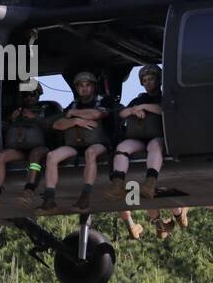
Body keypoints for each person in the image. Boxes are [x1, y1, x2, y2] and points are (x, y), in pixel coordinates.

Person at [41, 71, 113, 212]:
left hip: (98, 144)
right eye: (81, 86)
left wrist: (74, 115)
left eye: (88, 85)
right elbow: (57, 124)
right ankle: (49, 198)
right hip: (74, 145)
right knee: (51, 156)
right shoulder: (73, 105)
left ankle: (85, 196)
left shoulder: (103, 101)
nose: (84, 88)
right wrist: (76, 121)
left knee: (90, 153)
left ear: (93, 87)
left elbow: (97, 114)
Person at [0, 83, 59, 207]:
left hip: (40, 148)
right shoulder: (16, 111)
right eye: (25, 95)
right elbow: (3, 127)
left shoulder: (48, 109)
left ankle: (29, 190)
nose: (28, 98)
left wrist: (35, 118)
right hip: (19, 149)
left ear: (38, 95)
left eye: (32, 94)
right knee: (1, 157)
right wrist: (11, 119)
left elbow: (53, 126)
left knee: (35, 156)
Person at [106, 64, 166, 201]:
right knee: (122, 148)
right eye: (145, 80)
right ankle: (117, 185)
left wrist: (144, 107)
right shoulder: (138, 100)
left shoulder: (164, 97)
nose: (148, 83)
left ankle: (149, 184)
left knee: (155, 146)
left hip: (157, 137)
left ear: (159, 80)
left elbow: (162, 109)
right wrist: (133, 110)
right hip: (138, 137)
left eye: (151, 79)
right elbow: (122, 113)